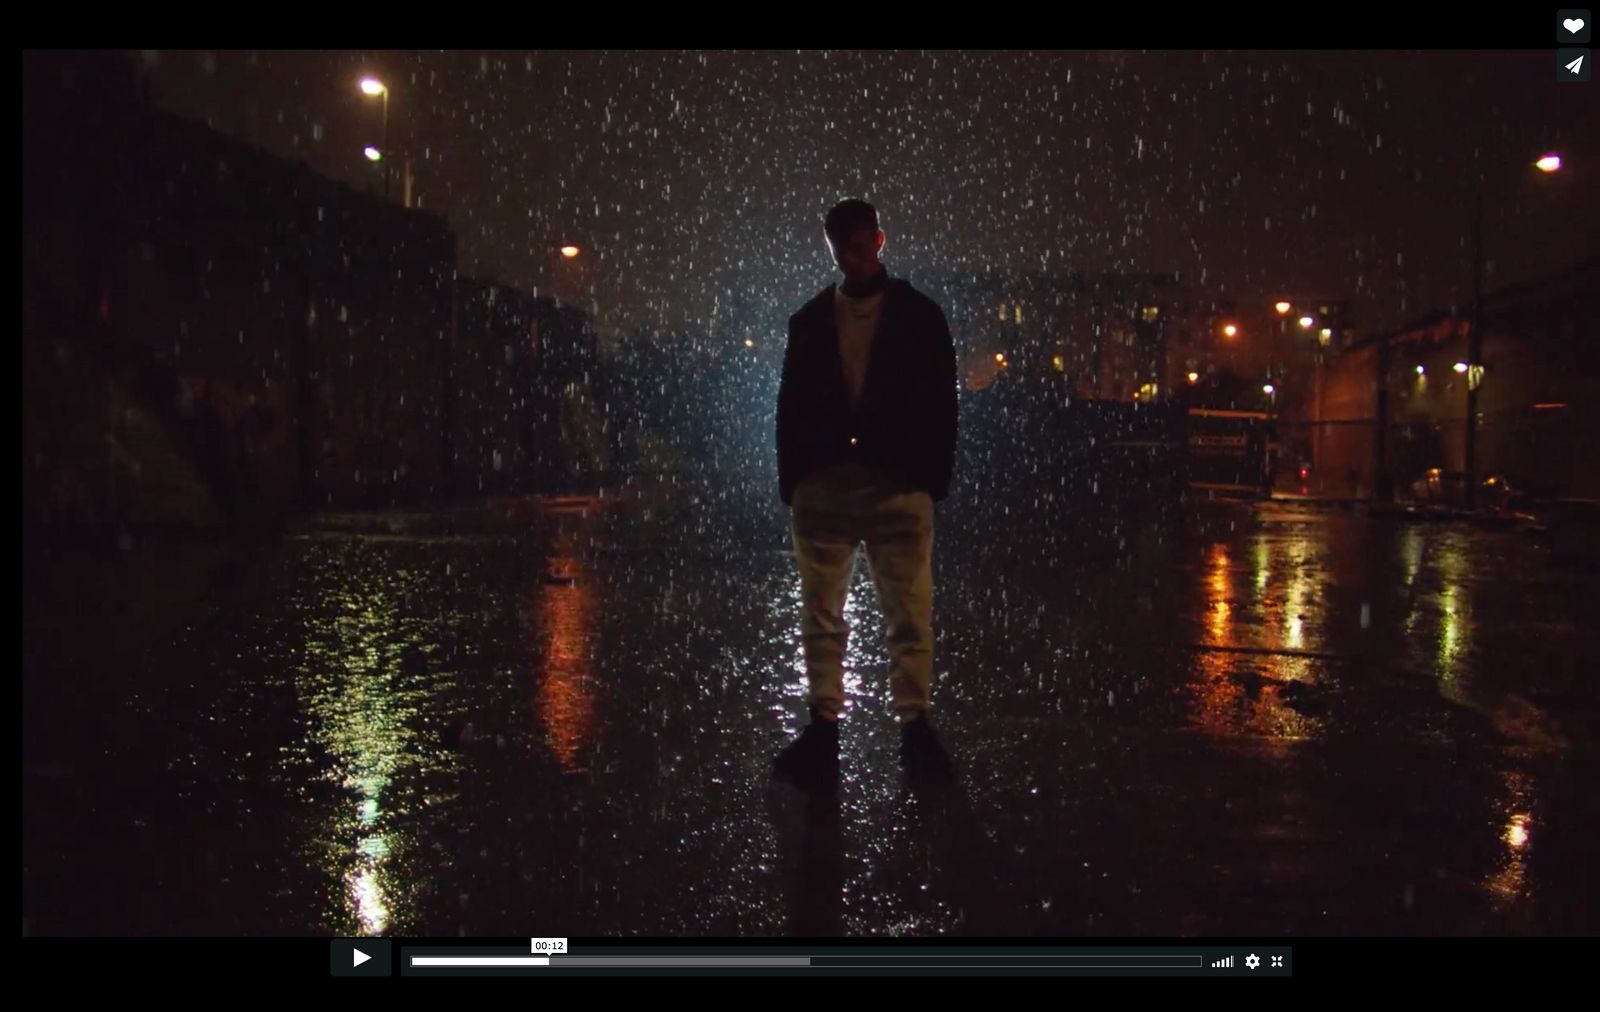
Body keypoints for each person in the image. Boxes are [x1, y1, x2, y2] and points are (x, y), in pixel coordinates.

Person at [773, 198, 958, 789]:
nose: (850, 259)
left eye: (856, 246)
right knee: (887, 611)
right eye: (843, 248)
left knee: (875, 612)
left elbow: (939, 404)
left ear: (876, 241)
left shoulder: (819, 319)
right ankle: (906, 729)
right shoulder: (917, 316)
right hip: (863, 484)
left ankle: (851, 729)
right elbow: (938, 403)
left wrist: (795, 478)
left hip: (871, 483)